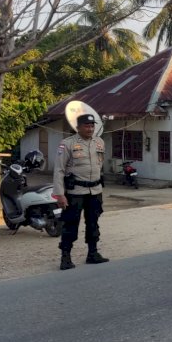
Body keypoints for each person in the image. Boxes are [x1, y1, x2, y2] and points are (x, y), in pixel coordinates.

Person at [53, 114, 109, 270]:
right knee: (70, 224)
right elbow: (59, 170)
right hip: (75, 192)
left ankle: (93, 253)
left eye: (92, 126)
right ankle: (65, 257)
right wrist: (60, 194)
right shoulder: (67, 144)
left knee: (93, 223)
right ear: (78, 127)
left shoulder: (99, 142)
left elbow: (99, 165)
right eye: (86, 126)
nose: (90, 129)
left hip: (95, 191)